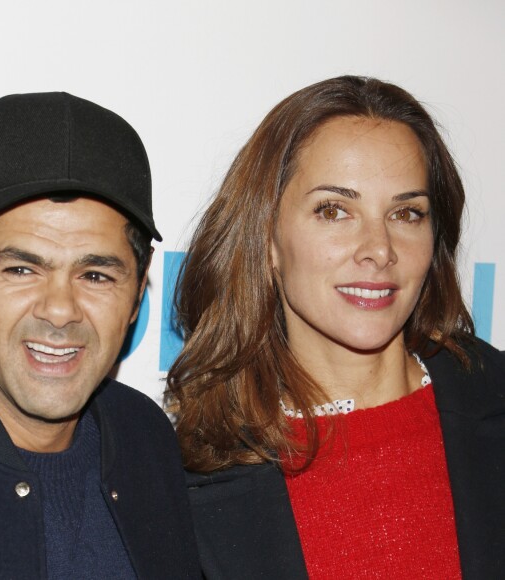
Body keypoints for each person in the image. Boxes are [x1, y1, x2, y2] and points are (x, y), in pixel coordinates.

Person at [167, 76, 505, 579]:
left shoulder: (493, 402)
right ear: (268, 240)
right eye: (334, 210)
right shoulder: (188, 474)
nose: (379, 248)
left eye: (407, 213)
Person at [0, 92, 200, 579]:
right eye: (22, 268)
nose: (59, 311)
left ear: (139, 287)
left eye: (95, 275)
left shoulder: (148, 440)